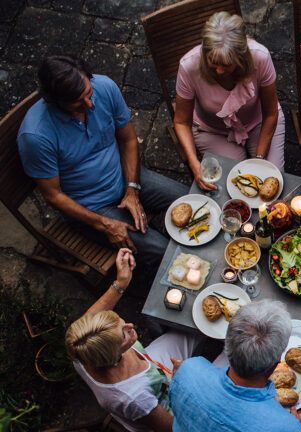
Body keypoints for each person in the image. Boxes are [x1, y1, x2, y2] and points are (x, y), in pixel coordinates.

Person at [17, 55, 187, 279]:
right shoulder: (36, 136)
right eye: (78, 102)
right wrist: (104, 224)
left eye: (89, 94)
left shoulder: (104, 87)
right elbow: (53, 196)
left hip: (126, 176)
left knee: (193, 199)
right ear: (54, 100)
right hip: (93, 207)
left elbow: (127, 140)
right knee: (165, 253)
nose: (90, 104)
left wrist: (132, 189)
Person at [65, 249, 202, 432]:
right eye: (125, 333)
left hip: (154, 364)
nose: (130, 325)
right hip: (168, 400)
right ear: (113, 355)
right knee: (225, 369)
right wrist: (180, 381)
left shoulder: (80, 344)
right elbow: (172, 429)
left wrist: (121, 281)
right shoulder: (136, 398)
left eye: (121, 322)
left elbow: (93, 318)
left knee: (195, 327)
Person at [174, 11, 285, 191]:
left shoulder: (260, 57)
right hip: (214, 131)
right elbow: (180, 121)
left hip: (259, 122)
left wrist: (260, 159)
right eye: (213, 62)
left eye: (226, 65)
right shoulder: (188, 66)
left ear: (241, 57)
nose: (218, 70)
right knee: (233, 187)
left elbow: (271, 113)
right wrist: (195, 163)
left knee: (271, 181)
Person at [169, 300, 301, 431]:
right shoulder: (286, 427)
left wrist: (184, 374)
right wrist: (298, 427)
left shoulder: (189, 369)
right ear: (274, 366)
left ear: (227, 346)